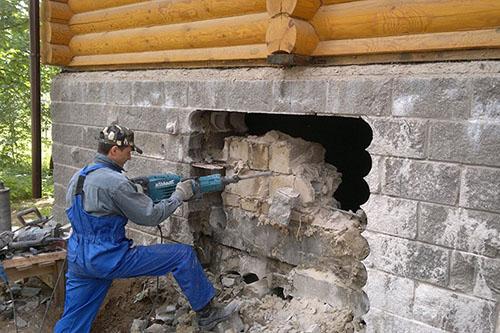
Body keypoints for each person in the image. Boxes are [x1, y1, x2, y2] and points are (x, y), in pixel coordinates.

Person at [55, 124, 237, 332]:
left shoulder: (78, 177)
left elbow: (97, 209)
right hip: (109, 257)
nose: (130, 157)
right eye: (127, 151)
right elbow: (151, 216)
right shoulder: (116, 183)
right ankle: (208, 315)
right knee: (182, 255)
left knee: (73, 321)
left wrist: (134, 194)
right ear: (114, 151)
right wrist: (179, 195)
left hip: (79, 258)